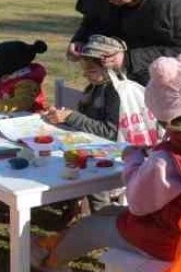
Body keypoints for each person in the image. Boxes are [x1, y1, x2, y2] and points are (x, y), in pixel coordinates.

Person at [31, 51, 181, 271]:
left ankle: (50, 263)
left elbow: (138, 205)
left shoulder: (168, 160)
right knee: (108, 211)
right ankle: (53, 246)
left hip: (167, 241)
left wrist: (133, 159)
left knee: (90, 228)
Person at [42, 35, 126, 217]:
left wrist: (71, 116)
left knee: (93, 181)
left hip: (110, 154)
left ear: (109, 68)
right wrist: (62, 115)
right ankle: (74, 205)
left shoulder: (116, 93)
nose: (85, 74)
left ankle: (103, 223)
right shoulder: (95, 87)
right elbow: (86, 119)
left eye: (91, 70)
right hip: (87, 145)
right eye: (84, 69)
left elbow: (110, 132)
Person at [0, 40, 48, 112]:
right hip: (4, 115)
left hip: (27, 118)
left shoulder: (26, 83)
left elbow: (22, 103)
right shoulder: (1, 76)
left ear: (5, 65)